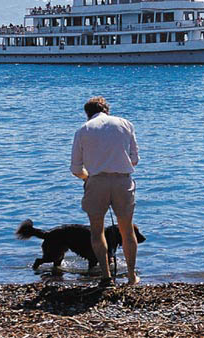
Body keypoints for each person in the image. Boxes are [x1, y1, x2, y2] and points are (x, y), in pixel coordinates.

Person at [70, 97, 140, 287]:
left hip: (96, 182)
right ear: (107, 110)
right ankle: (132, 276)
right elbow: (134, 160)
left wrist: (87, 179)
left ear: (87, 113)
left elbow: (76, 169)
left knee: (97, 231)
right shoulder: (126, 124)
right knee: (127, 231)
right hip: (122, 181)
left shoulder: (83, 130)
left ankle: (106, 276)